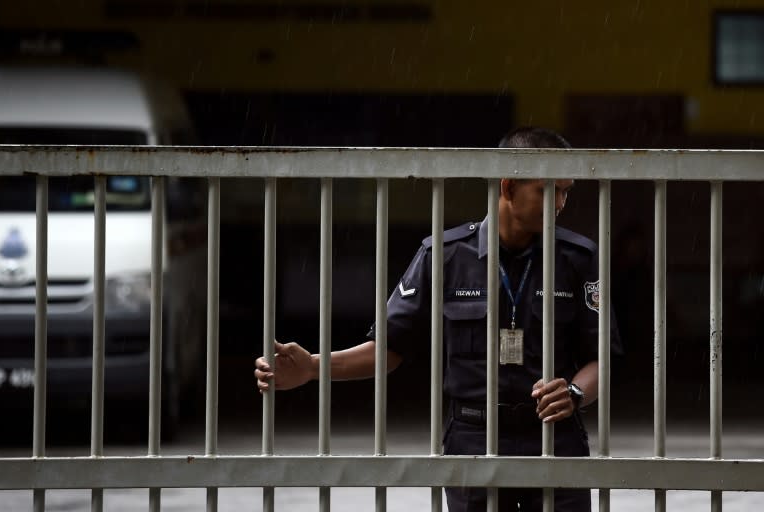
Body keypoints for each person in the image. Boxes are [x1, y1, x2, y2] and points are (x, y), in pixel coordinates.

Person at [255, 126, 622, 511]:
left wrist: (576, 394)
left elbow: (602, 354)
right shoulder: (446, 256)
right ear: (509, 187)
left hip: (554, 436)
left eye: (566, 191)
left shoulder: (578, 258)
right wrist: (313, 367)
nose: (560, 203)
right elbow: (387, 349)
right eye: (548, 191)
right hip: (474, 438)